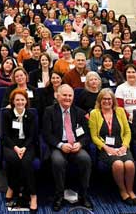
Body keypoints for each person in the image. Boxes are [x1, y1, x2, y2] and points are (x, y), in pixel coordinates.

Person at [42, 84, 93, 212]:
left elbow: (87, 134)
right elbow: (47, 134)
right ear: (57, 96)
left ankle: (83, 195)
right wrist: (60, 145)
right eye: (64, 95)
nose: (67, 98)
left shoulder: (80, 112)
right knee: (58, 161)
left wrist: (80, 144)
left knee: (85, 159)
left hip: (75, 146)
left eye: (70, 95)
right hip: (58, 146)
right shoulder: (49, 111)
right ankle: (59, 195)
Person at [89, 88, 136, 205]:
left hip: (121, 146)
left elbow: (127, 132)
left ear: (113, 101)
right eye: (104, 99)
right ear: (100, 101)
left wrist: (125, 146)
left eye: (109, 99)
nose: (107, 101)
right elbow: (94, 136)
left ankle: (130, 190)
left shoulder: (120, 111)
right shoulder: (94, 114)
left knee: (129, 164)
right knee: (118, 164)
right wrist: (106, 148)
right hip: (105, 148)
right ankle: (122, 190)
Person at [1, 89, 38, 213]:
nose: (20, 102)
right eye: (17, 100)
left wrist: (24, 148)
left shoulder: (31, 114)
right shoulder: (6, 114)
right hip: (11, 145)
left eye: (22, 99)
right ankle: (13, 186)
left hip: (28, 145)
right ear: (13, 101)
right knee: (14, 159)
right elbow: (5, 136)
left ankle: (33, 195)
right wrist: (16, 148)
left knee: (26, 162)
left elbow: (32, 136)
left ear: (26, 101)